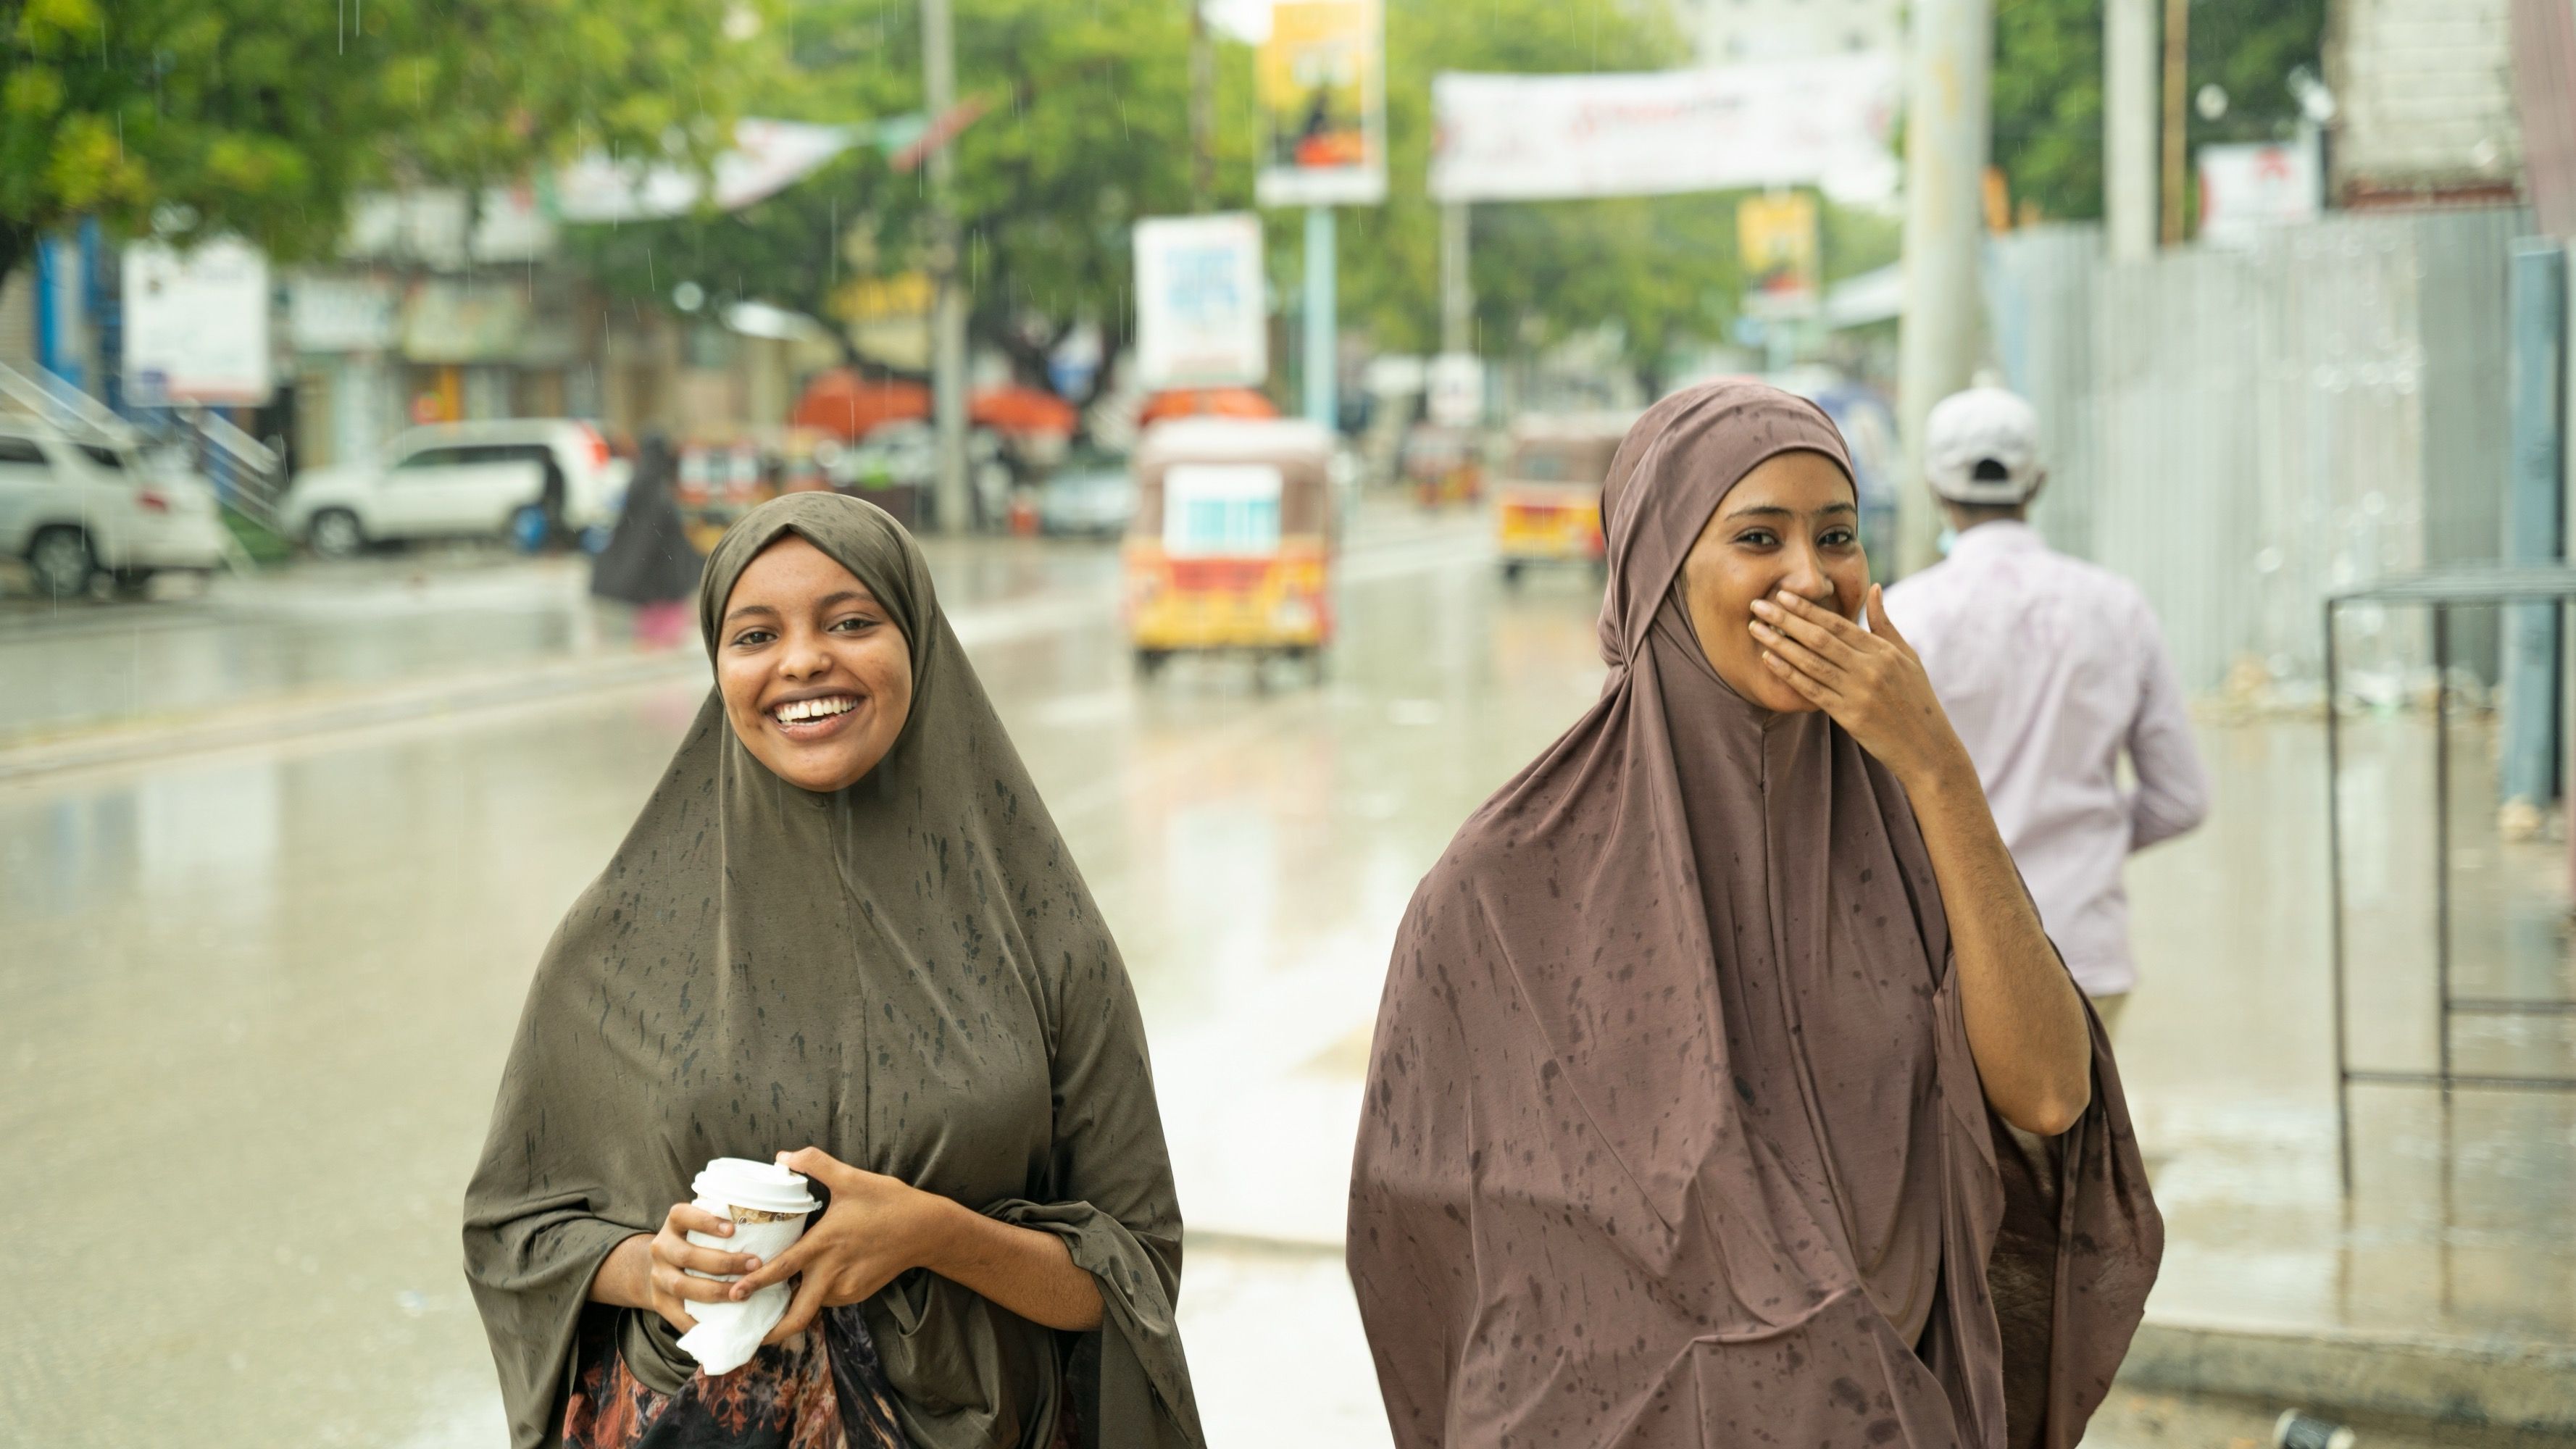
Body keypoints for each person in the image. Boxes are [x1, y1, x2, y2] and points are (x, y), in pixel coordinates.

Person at [1346, 380, 2159, 1449]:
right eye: (1757, 537)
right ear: (1658, 575)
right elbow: (1421, 1244)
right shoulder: (1502, 890)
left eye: (1837, 536)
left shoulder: (1914, 843)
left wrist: (1934, 765)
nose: (1811, 578)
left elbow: (2050, 1094)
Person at [467, 492, 1204, 1449]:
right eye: (754, 634)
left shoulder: (1042, 939)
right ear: (718, 666)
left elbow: (1135, 1270)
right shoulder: (618, 938)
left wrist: (936, 1235)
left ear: (919, 644)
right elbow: (515, 1229)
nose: (803, 660)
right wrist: (651, 1268)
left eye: (850, 622)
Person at [1883, 388, 2209, 1034]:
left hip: (1950, 958)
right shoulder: (2118, 608)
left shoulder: (1901, 617)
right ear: (2037, 481)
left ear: (1931, 487)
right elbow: (2180, 801)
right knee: (2084, 1135)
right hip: (2086, 954)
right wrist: (2085, 834)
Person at [590, 433, 703, 650]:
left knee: (654, 633)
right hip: (660, 575)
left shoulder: (642, 480)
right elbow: (651, 531)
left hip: (652, 574)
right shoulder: (656, 485)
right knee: (661, 641)